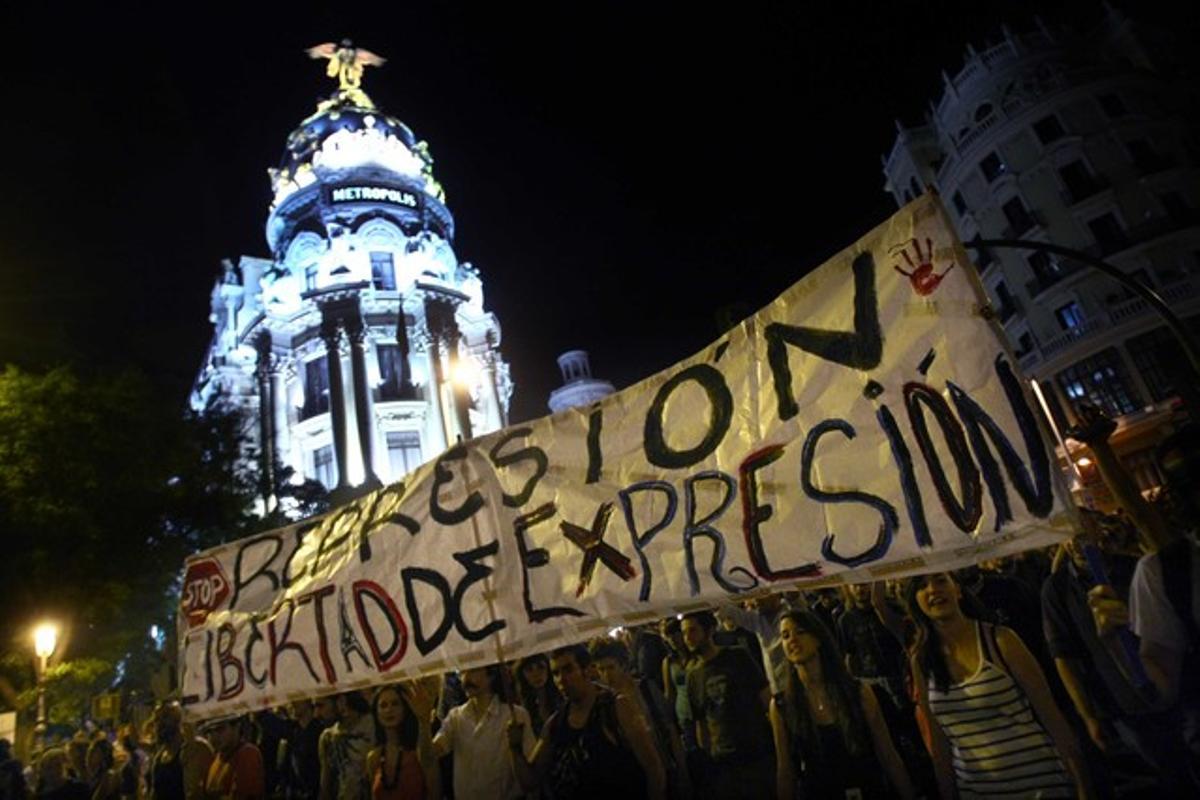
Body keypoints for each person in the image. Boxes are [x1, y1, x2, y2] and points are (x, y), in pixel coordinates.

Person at [1043, 521, 1198, 792]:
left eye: (1082, 530)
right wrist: (1088, 716)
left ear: (1097, 529)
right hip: (1121, 704)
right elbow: (1064, 657)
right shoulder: (1056, 589)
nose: (1076, 540)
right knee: (1164, 776)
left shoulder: (1134, 568)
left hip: (1173, 686)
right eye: (1067, 535)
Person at [906, 572, 1090, 798]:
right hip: (976, 791)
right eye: (922, 586)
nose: (933, 589)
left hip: (1039, 784)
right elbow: (939, 743)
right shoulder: (922, 660)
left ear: (958, 590)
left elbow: (1050, 715)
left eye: (940, 580)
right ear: (915, 601)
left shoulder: (1001, 640)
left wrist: (1083, 785)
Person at [769, 610, 914, 799]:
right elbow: (785, 770)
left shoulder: (857, 692)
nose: (792, 640)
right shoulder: (781, 705)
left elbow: (887, 754)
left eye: (800, 631)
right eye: (785, 635)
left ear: (818, 638)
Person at [507, 644, 666, 800]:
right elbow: (530, 781)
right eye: (555, 673)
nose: (561, 679)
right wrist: (515, 747)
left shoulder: (616, 707)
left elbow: (653, 769)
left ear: (587, 669)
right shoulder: (555, 723)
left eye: (568, 669)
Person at [681, 611, 773, 800]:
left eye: (693, 631)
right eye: (684, 633)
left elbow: (765, 697)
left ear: (709, 630)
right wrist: (709, 756)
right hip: (724, 761)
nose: (687, 638)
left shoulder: (737, 656)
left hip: (756, 752)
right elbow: (701, 721)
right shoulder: (692, 675)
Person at [590, 638, 690, 799]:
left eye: (611, 667)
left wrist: (682, 769)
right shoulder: (605, 703)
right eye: (601, 669)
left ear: (623, 665)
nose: (606, 675)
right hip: (636, 776)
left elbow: (670, 729)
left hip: (665, 765)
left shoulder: (646, 688)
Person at [432, 666, 532, 799]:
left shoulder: (515, 715)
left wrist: (515, 748)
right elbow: (434, 752)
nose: (465, 678)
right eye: (462, 672)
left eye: (473, 670)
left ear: (491, 675)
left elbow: (530, 771)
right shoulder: (455, 717)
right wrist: (423, 722)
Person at [364, 682, 438, 800]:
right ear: (376, 713)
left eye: (395, 704)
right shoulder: (373, 758)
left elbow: (435, 791)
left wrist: (424, 721)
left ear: (405, 708)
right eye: (383, 705)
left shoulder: (418, 750)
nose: (389, 710)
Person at [715, 593, 791, 697]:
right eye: (754, 594)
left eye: (761, 593)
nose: (756, 599)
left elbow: (794, 597)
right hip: (776, 691)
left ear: (775, 593)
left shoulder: (792, 611)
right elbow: (729, 612)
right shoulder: (758, 619)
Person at [149, 703, 213, 800]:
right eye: (156, 719)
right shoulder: (159, 758)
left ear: (178, 720)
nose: (159, 723)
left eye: (165, 717)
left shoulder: (198, 747)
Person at [318, 693, 374, 800]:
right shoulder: (328, 737)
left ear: (341, 702)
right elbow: (326, 783)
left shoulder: (374, 728)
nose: (317, 714)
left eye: (321, 706)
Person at [202, 717, 265, 800]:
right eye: (209, 731)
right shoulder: (218, 756)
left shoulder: (247, 753)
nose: (213, 736)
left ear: (236, 727)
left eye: (220, 729)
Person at [513, 654, 562, 734]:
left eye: (541, 667)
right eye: (529, 669)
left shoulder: (561, 697)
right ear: (523, 675)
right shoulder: (521, 707)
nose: (536, 674)